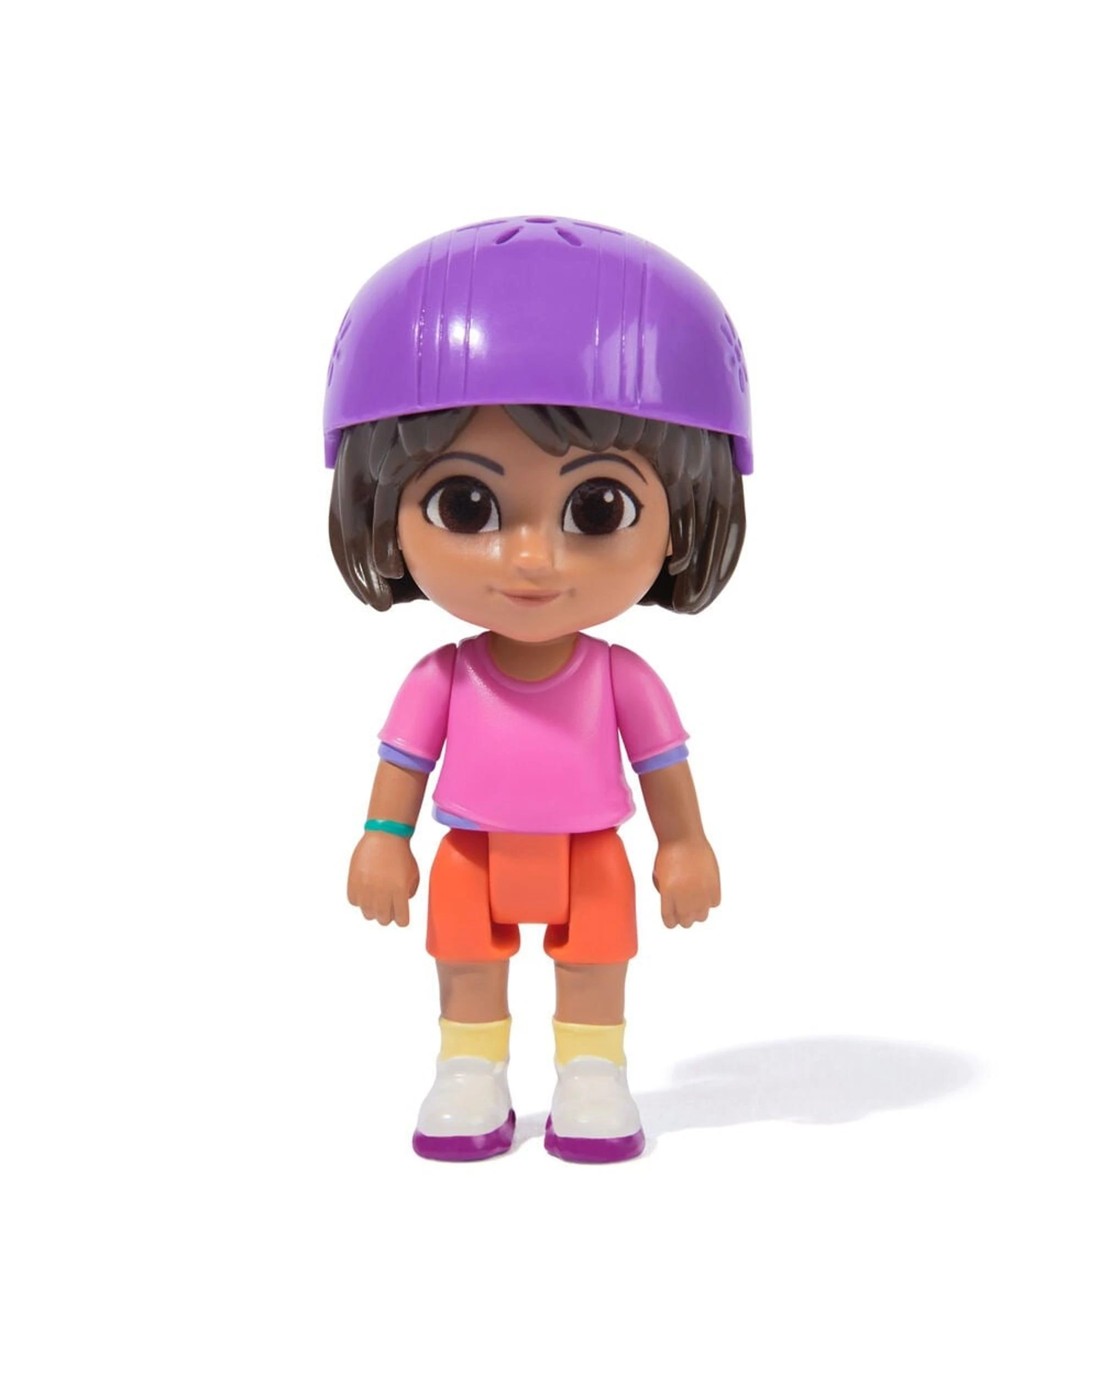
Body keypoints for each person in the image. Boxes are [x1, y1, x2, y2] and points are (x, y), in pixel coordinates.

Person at [324, 216, 753, 1163]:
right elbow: (404, 765)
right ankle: (468, 1067)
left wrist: (684, 843)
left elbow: (663, 769)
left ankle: (592, 1069)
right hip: (470, 852)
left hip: (590, 852)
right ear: (379, 508)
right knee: (465, 962)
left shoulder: (621, 678)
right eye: (466, 505)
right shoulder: (442, 677)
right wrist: (384, 836)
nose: (531, 558)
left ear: (685, 517)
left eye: (597, 508)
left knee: (596, 961)